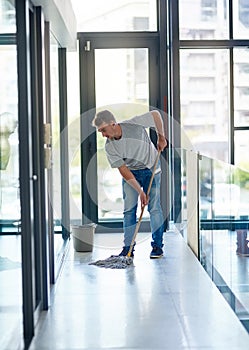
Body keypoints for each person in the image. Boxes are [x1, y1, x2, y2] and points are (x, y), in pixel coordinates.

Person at [92, 109, 167, 258]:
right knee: (128, 212)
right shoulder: (109, 147)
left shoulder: (134, 124)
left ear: (113, 123)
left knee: (154, 208)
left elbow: (156, 115)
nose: (103, 135)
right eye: (100, 132)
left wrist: (161, 137)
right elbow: (123, 170)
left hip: (152, 169)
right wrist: (140, 191)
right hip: (132, 174)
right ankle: (128, 249)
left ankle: (157, 246)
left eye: (104, 130)